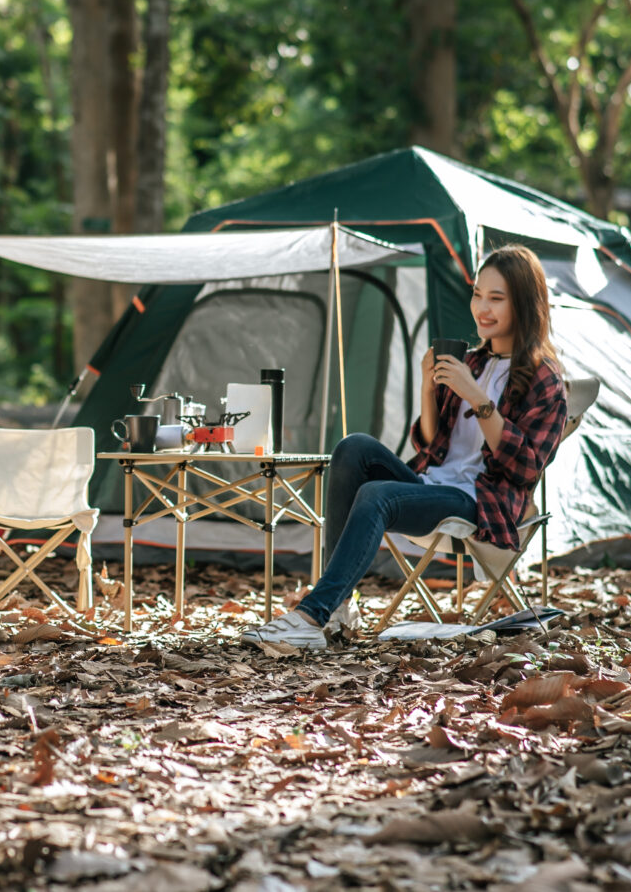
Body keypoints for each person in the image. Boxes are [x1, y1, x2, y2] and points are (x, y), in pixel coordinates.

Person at [240, 245, 569, 650]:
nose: (482, 308)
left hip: (481, 502)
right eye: (477, 294)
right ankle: (338, 605)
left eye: (496, 298)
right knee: (353, 448)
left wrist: (476, 396)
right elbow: (433, 445)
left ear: (525, 303)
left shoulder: (545, 379)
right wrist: (427, 388)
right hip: (434, 485)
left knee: (376, 495)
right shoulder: (475, 362)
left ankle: (312, 615)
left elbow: (525, 469)